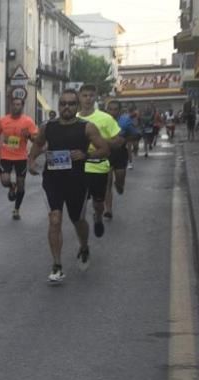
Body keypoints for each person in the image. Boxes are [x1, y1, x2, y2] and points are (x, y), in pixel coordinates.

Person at [28, 89, 110, 283]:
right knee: (55, 219)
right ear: (59, 106)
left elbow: (105, 149)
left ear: (77, 106)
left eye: (71, 104)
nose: (66, 107)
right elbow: (38, 144)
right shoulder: (48, 126)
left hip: (77, 181)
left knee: (78, 220)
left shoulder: (87, 127)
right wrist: (31, 160)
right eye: (63, 103)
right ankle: (57, 265)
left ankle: (84, 246)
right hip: (53, 181)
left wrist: (86, 155)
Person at [76, 84, 123, 238]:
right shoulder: (74, 119)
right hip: (79, 168)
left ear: (95, 97)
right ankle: (82, 234)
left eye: (91, 95)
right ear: (79, 97)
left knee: (98, 204)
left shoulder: (105, 118)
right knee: (79, 205)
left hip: (99, 167)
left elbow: (118, 141)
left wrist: (101, 143)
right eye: (84, 95)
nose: (88, 99)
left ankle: (98, 217)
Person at [0, 97, 38, 219]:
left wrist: (28, 135)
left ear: (22, 106)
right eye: (13, 104)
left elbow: (36, 139)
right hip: (5, 155)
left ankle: (16, 209)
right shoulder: (3, 120)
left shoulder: (28, 121)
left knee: (21, 185)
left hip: (21, 157)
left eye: (18, 104)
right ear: (10, 106)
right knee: (4, 181)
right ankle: (11, 186)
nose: (15, 106)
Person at [104, 99, 137, 216]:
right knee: (106, 183)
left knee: (119, 179)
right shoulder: (101, 120)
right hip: (106, 154)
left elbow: (135, 134)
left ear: (120, 110)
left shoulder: (125, 120)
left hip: (120, 154)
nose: (112, 112)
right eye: (110, 109)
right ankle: (108, 210)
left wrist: (125, 139)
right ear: (106, 110)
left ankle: (119, 185)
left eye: (115, 109)